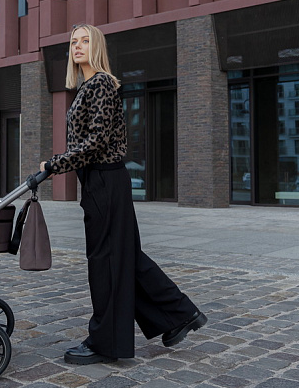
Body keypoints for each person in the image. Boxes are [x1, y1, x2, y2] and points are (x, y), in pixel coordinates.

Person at [40, 24, 206, 365]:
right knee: (125, 257)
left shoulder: (100, 83)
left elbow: (96, 141)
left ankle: (106, 343)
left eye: (85, 41)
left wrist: (55, 164)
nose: (77, 46)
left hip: (104, 180)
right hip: (102, 181)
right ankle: (179, 314)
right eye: (73, 42)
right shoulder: (87, 86)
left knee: (106, 263)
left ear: (97, 47)